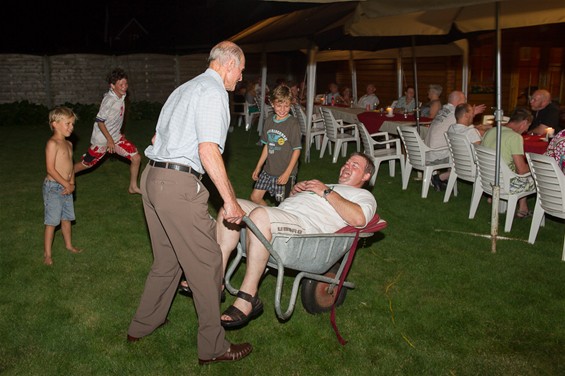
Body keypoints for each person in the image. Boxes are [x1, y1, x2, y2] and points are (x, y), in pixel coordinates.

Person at [127, 41, 252, 365]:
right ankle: (213, 346)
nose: (240, 79)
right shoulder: (213, 94)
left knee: (167, 261)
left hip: (152, 179)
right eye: (240, 71)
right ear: (228, 64)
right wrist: (230, 202)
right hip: (178, 186)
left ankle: (143, 325)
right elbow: (208, 151)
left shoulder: (184, 89)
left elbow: (156, 139)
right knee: (209, 261)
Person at [217, 153, 377, 328]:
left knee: (260, 216)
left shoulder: (363, 196)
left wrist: (325, 191)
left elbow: (359, 219)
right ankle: (216, 280)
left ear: (366, 176)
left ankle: (248, 297)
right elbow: (293, 206)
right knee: (230, 207)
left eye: (355, 166)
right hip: (284, 217)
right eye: (347, 163)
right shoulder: (329, 186)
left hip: (306, 230)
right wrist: (296, 193)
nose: (347, 167)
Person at [74, 68, 142, 194]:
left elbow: (116, 118)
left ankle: (133, 187)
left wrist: (118, 132)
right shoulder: (109, 100)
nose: (124, 87)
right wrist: (109, 140)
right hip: (102, 140)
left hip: (115, 137)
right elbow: (100, 121)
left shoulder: (121, 96)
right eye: (121, 84)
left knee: (136, 157)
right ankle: (65, 175)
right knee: (87, 164)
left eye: (126, 84)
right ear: (112, 86)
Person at [43, 106, 82, 266]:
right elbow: (50, 169)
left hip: (66, 187)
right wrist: (66, 183)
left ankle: (68, 245)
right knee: (52, 221)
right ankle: (47, 254)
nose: (71, 128)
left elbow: (70, 166)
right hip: (53, 187)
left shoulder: (69, 144)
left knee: (66, 218)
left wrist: (72, 183)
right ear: (55, 123)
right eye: (68, 124)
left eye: (72, 124)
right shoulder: (52, 143)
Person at [250, 85, 302, 205]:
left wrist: (287, 173)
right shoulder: (269, 121)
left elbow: (297, 150)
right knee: (255, 197)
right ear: (272, 104)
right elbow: (267, 146)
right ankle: (270, 217)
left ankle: (280, 221)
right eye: (279, 105)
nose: (283, 109)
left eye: (286, 106)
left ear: (290, 104)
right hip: (268, 170)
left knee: (283, 204)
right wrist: (259, 166)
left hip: (284, 172)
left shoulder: (292, 124)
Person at [425, 91, 485, 189]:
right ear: (458, 102)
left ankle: (443, 178)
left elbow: (463, 128)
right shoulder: (454, 114)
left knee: (458, 146)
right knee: (462, 151)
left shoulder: (443, 110)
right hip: (437, 154)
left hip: (428, 149)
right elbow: (468, 131)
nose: (466, 102)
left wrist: (471, 114)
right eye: (465, 100)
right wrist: (472, 115)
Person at [482, 108, 535, 217]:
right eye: (527, 126)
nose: (525, 130)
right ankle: (522, 209)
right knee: (530, 174)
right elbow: (521, 170)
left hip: (485, 178)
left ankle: (521, 206)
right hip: (503, 183)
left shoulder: (492, 130)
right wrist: (535, 167)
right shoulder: (515, 137)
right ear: (524, 122)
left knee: (516, 167)